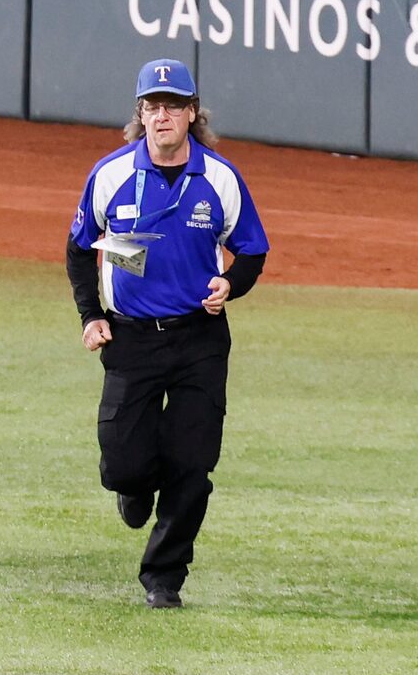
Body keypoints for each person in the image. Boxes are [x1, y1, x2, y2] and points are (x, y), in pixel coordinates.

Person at [66, 58, 269, 609]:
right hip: (131, 338)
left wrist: (231, 285)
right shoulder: (110, 175)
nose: (163, 116)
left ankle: (164, 577)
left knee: (193, 463)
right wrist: (92, 316)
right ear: (141, 114)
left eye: (174, 106)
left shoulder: (219, 177)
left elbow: (251, 248)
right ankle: (133, 488)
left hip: (199, 339)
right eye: (153, 107)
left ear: (192, 113)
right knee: (124, 464)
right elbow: (80, 249)